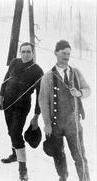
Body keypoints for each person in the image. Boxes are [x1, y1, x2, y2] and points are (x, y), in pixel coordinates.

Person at [39, 40, 90, 181]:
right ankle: (63, 177)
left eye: (68, 53)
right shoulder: (48, 76)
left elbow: (88, 90)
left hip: (73, 124)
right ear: (56, 53)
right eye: (63, 53)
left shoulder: (76, 72)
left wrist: (79, 93)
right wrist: (47, 124)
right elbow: (43, 101)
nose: (66, 56)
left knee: (79, 156)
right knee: (58, 155)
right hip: (56, 124)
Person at [0, 42, 44, 181]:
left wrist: (36, 116)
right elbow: (5, 79)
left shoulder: (37, 71)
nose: (25, 54)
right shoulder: (14, 63)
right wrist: (1, 97)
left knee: (15, 133)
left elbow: (40, 96)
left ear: (33, 53)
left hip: (22, 106)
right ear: (20, 52)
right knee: (10, 130)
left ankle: (23, 169)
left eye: (28, 51)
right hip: (7, 103)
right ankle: (14, 155)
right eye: (23, 51)